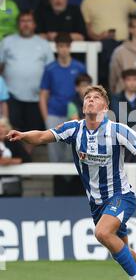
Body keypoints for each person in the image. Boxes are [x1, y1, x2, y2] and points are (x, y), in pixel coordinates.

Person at [7, 85, 136, 280]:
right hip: (96, 203)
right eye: (87, 98)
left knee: (102, 233)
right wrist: (23, 135)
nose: (90, 100)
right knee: (120, 248)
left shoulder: (117, 130)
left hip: (121, 195)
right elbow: (43, 137)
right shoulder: (74, 129)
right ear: (82, 107)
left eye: (96, 97)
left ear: (106, 107)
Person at [0, 11, 54, 143]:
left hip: (36, 96)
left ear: (34, 24)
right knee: (12, 129)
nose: (26, 24)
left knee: (34, 130)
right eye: (23, 21)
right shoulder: (7, 42)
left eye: (29, 21)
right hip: (11, 95)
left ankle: (26, 158)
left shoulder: (43, 44)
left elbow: (50, 71)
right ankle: (19, 156)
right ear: (18, 24)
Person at [39, 32, 86, 162]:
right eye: (60, 46)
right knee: (54, 153)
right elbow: (43, 95)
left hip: (74, 114)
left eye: (66, 46)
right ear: (56, 47)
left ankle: (72, 182)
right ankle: (57, 182)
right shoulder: (50, 68)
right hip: (54, 113)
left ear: (70, 47)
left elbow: (85, 91)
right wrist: (46, 118)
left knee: (73, 151)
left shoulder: (79, 67)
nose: (63, 49)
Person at [0, 117, 31, 197]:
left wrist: (10, 161)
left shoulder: (14, 142)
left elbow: (26, 158)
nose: (0, 130)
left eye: (3, 126)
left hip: (12, 185)